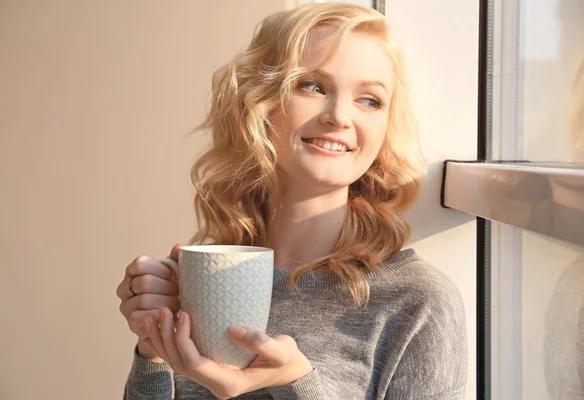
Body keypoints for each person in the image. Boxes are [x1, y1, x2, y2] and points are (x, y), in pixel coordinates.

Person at [116, 3, 468, 399]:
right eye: (313, 86)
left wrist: (296, 385)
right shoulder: (201, 282)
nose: (339, 116)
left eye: (369, 100)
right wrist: (153, 349)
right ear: (258, 103)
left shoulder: (417, 301)